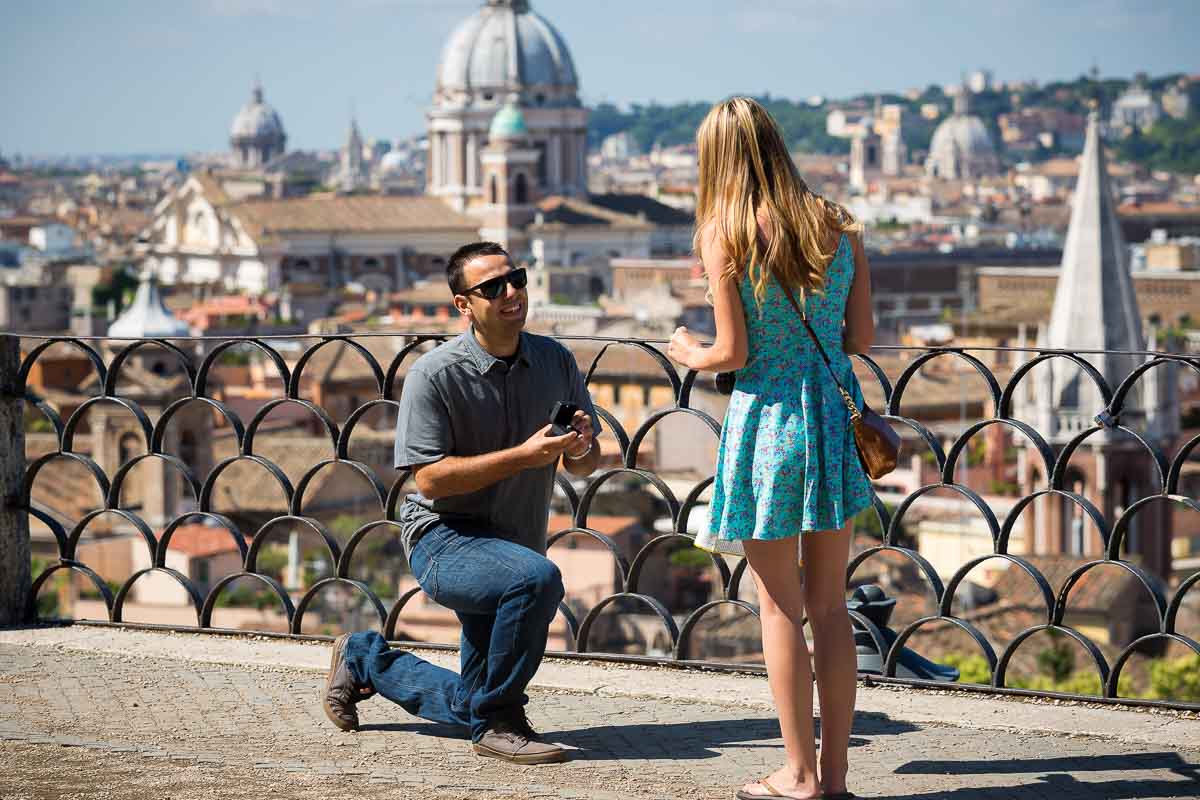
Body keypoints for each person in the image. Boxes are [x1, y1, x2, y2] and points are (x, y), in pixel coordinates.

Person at [322, 241, 602, 765]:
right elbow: (429, 481)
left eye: (515, 278)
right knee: (538, 579)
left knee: (470, 698)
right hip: (444, 539)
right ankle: (501, 721)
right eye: (493, 287)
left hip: (511, 546)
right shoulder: (435, 374)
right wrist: (523, 455)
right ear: (463, 305)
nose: (511, 293)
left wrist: (581, 446)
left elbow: (584, 466)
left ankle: (365, 659)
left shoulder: (554, 360)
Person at [667, 98, 874, 800]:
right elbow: (860, 337)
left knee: (779, 607)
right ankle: (838, 778)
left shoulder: (723, 233)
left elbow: (733, 349)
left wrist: (690, 351)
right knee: (832, 606)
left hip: (768, 427)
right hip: (832, 424)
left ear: (716, 159)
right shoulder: (837, 225)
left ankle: (799, 775)